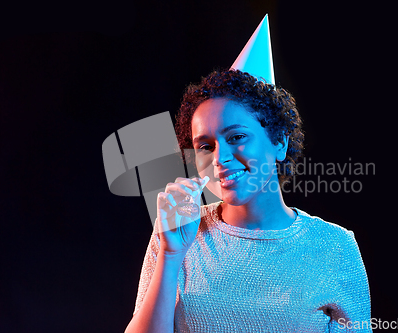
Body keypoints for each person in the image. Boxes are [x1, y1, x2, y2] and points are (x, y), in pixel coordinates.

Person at [124, 69, 372, 333]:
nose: (219, 158)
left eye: (237, 137)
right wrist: (171, 255)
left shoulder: (336, 246)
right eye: (205, 146)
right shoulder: (177, 233)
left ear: (279, 143)